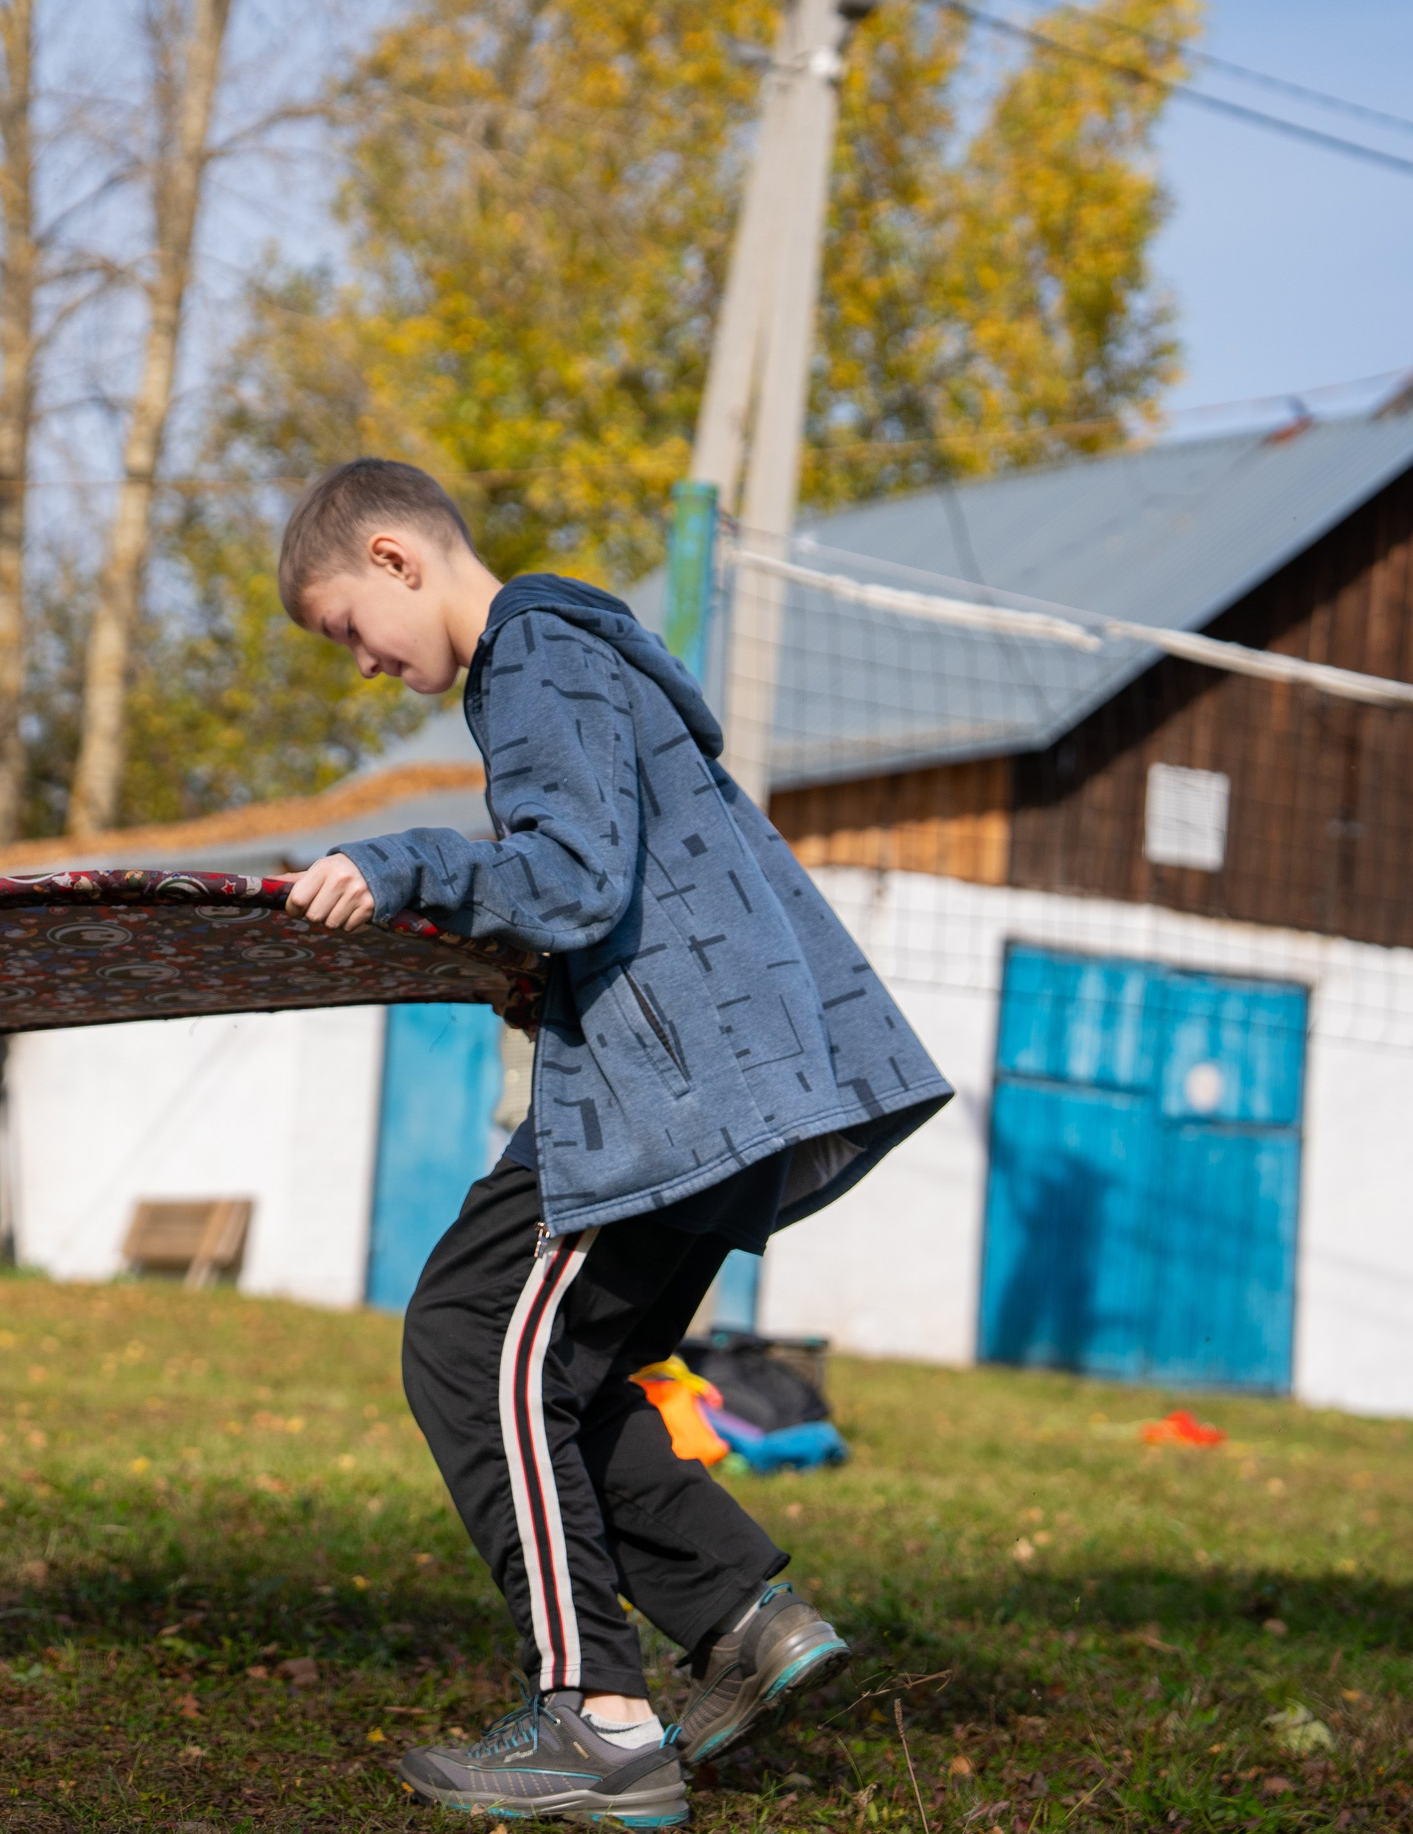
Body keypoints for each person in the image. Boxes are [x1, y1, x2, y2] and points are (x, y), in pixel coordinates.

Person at [278, 459, 951, 1825]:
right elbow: (621, 883)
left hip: (661, 1094)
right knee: (567, 1373)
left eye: (349, 626)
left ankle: (595, 1716)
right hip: (721, 1086)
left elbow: (576, 876)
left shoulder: (530, 653)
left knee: (475, 1343)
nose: (359, 663)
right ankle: (742, 1616)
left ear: (399, 557)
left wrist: (411, 864)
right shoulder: (576, 655)